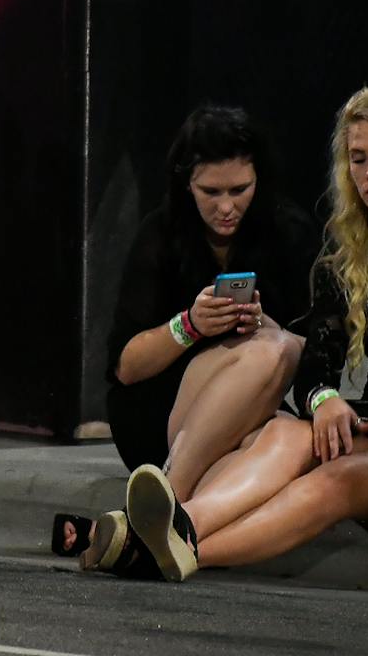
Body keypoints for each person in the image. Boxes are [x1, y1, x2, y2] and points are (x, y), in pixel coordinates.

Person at [84, 87, 368, 581]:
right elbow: (317, 363)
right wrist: (323, 402)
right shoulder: (351, 248)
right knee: (281, 431)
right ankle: (176, 526)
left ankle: (175, 549)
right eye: (358, 159)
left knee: (338, 474)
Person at [51, 105, 312, 558]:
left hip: (251, 414)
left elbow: (325, 349)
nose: (226, 206)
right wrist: (188, 326)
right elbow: (127, 368)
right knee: (273, 350)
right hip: (161, 413)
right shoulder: (161, 235)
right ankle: (166, 498)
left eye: (239, 189)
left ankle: (144, 536)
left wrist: (265, 325)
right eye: (210, 191)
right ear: (185, 184)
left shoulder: (289, 232)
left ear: (260, 181)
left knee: (287, 439)